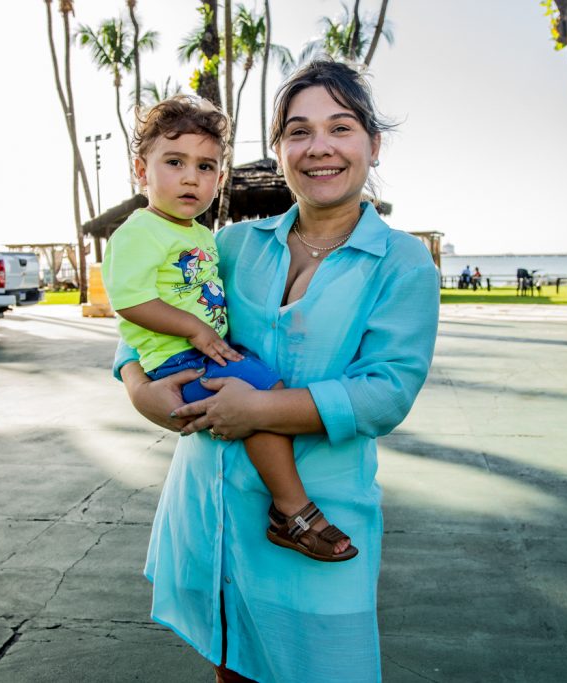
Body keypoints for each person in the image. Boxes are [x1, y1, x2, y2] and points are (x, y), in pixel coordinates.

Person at [114, 60, 439, 682]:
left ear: (373, 143)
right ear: (280, 148)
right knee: (230, 667)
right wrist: (141, 392)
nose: (319, 147)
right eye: (298, 131)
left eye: (340, 128)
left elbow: (386, 393)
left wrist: (257, 411)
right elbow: (140, 336)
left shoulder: (403, 264)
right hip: (210, 506)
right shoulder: (230, 245)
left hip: (319, 516)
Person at [102, 95, 356, 563]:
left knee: (265, 398)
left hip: (206, 352)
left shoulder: (202, 234)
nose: (189, 178)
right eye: (174, 162)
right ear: (142, 170)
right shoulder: (139, 231)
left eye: (205, 167)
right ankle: (293, 509)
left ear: (219, 180)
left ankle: (288, 501)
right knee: (256, 407)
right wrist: (172, 350)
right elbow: (130, 301)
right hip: (180, 359)